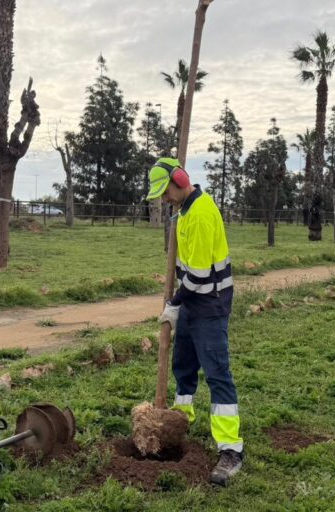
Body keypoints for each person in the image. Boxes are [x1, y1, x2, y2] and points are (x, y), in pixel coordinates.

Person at [146, 156, 243, 486]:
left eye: (165, 192)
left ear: (180, 180)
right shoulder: (182, 212)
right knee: (183, 364)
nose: (163, 199)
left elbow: (200, 276)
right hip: (192, 299)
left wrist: (173, 304)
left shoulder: (200, 214)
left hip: (209, 303)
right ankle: (181, 418)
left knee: (217, 372)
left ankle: (230, 449)